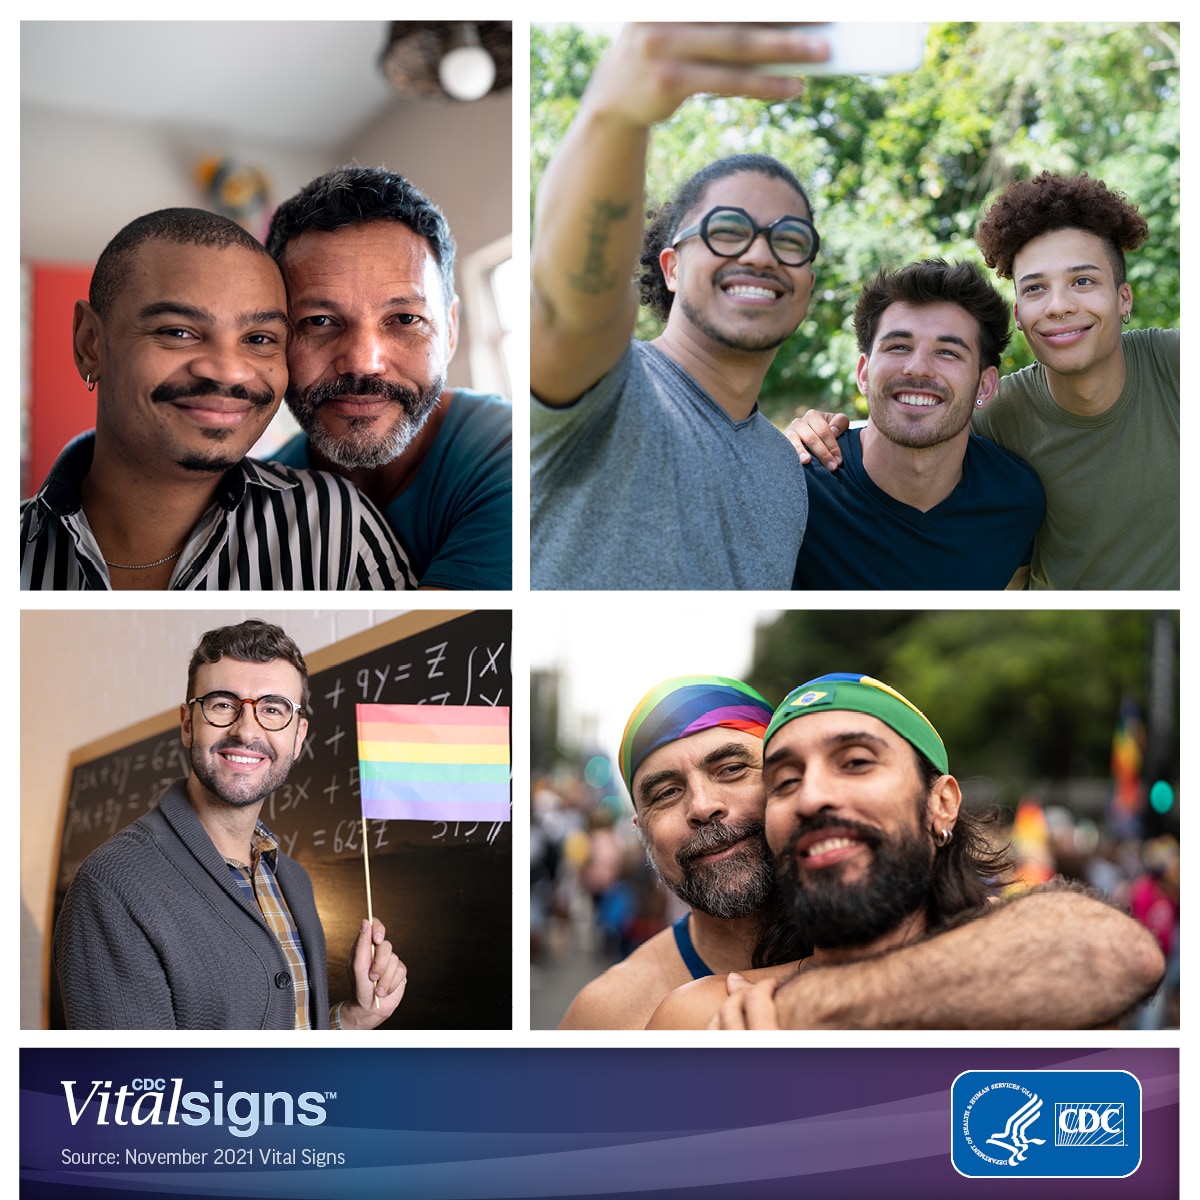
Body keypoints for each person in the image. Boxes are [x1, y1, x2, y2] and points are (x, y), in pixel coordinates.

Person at [646, 673, 1165, 1029]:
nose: (812, 795)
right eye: (784, 780)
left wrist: (812, 1010)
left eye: (855, 762)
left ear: (941, 804)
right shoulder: (710, 1017)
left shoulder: (1037, 982)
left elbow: (1121, 952)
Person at [531, 24, 828, 589]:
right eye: (728, 229)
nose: (760, 253)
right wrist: (616, 118)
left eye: (790, 240)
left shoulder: (788, 470)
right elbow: (571, 308)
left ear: (806, 287)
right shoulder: (608, 389)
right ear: (671, 268)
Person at [791, 173, 1179, 589]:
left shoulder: (1175, 365)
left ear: (1124, 298)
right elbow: (914, 421)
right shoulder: (997, 414)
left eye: (1082, 281)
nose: (1059, 306)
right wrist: (807, 432)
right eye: (1034, 289)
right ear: (1020, 315)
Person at [20, 208, 413, 591]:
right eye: (178, 332)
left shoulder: (334, 525)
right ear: (90, 343)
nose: (229, 371)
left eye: (259, 339)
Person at [53, 620, 407, 1029]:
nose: (247, 730)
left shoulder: (293, 880)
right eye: (223, 704)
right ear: (188, 724)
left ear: (298, 737)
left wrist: (351, 1020)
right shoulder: (113, 885)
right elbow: (135, 1088)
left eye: (273, 709)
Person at [265, 166, 512, 591]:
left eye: (404, 319)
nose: (363, 362)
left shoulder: (514, 452)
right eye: (320, 320)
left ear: (450, 330)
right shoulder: (259, 499)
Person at [792, 260, 1044, 589]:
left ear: (985, 386)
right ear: (864, 374)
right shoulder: (797, 489)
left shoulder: (1017, 499)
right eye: (899, 347)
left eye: (948, 352)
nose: (918, 368)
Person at [558, 676, 783, 1029]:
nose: (703, 806)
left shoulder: (894, 949)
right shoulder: (606, 1017)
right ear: (641, 831)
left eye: (732, 769)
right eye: (666, 793)